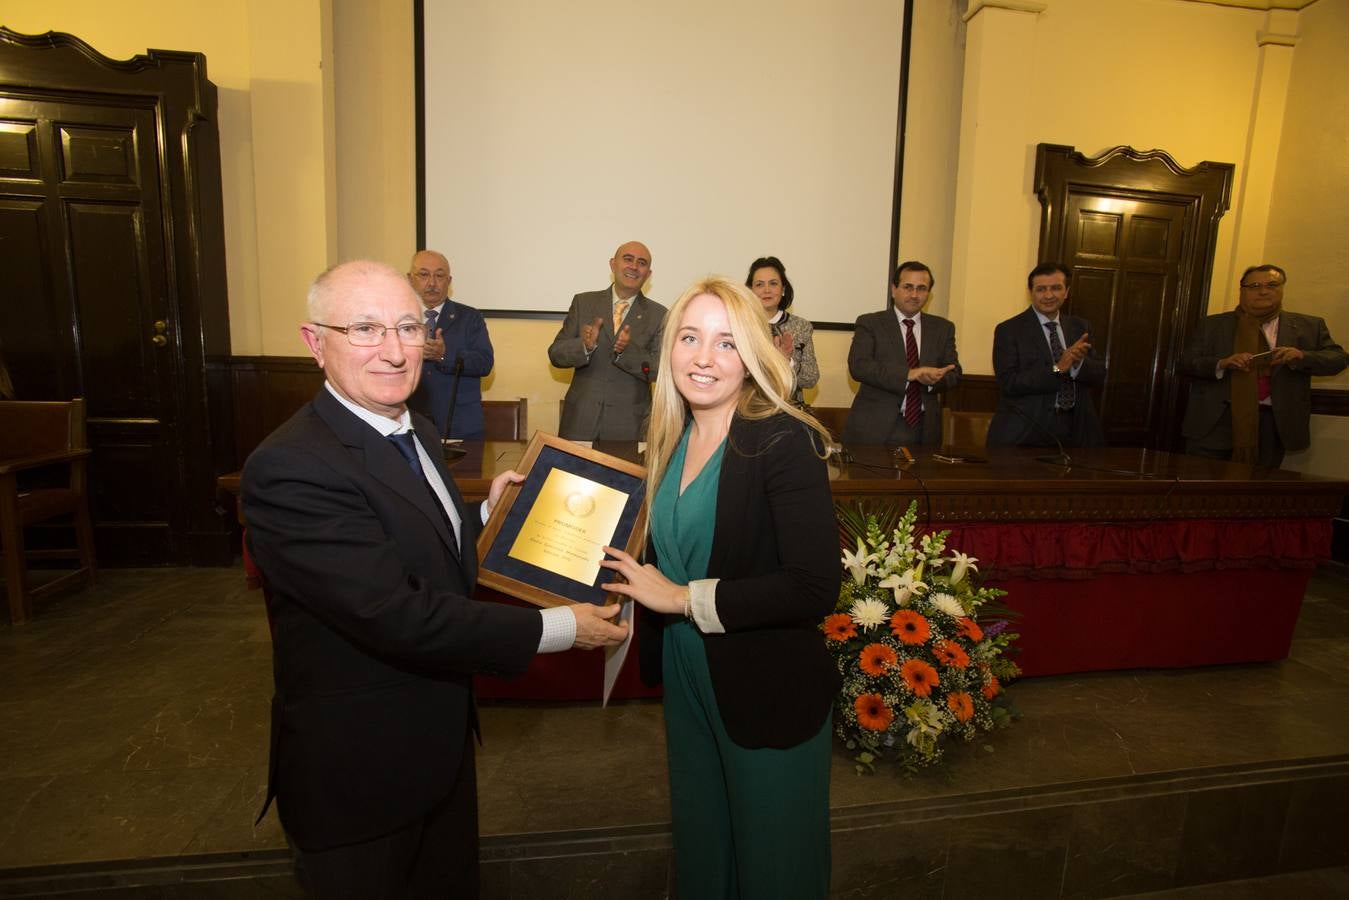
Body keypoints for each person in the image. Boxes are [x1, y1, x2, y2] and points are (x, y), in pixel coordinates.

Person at [242, 260, 627, 899]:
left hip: (438, 751)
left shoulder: (415, 428)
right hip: (360, 776)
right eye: (365, 329)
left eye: (408, 327)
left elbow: (409, 539)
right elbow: (395, 612)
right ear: (315, 342)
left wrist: (486, 516)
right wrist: (560, 627)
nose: (395, 351)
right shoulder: (291, 467)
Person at [600, 277, 840, 899]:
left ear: (753, 354)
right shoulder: (671, 438)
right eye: (690, 338)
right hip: (687, 674)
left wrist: (682, 599)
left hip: (763, 685)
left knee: (774, 866)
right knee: (705, 849)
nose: (703, 357)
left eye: (726, 342)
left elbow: (814, 586)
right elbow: (659, 556)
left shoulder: (785, 438)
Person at [1180, 264, 1347, 468]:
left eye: (1272, 285)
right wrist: (1222, 363)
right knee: (1200, 482)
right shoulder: (1212, 325)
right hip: (1215, 420)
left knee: (1259, 485)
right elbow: (1186, 363)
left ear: (1282, 289)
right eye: (1255, 286)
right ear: (1242, 291)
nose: (1263, 291)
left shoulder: (1309, 326)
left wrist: (1302, 356)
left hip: (1274, 423)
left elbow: (1338, 359)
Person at [548, 241, 667, 440]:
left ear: (648, 274)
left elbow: (659, 370)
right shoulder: (583, 302)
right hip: (580, 422)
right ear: (613, 264)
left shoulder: (659, 314)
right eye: (628, 259)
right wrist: (583, 347)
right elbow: (555, 354)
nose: (634, 266)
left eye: (642, 263)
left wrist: (626, 352)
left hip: (630, 426)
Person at [986, 262, 1106, 448]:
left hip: (1077, 431)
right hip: (1026, 432)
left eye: (1056, 288)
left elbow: (1099, 374)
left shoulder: (1080, 327)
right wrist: (1058, 368)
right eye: (1041, 289)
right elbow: (1008, 383)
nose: (1049, 295)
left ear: (1066, 292)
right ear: (1031, 293)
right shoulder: (1009, 330)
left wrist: (1078, 364)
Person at [843, 260, 960, 446]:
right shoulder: (870, 323)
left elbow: (954, 372)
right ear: (893, 289)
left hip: (925, 429)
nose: (914, 295)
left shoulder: (943, 328)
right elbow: (859, 366)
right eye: (908, 287)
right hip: (875, 427)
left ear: (928, 293)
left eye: (921, 288)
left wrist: (934, 380)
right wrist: (909, 374)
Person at [406, 250, 495, 439]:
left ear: (449, 281)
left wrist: (444, 355)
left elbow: (485, 363)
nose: (432, 283)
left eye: (439, 276)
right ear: (410, 279)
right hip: (409, 424)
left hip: (459, 425)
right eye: (424, 275)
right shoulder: (398, 318)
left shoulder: (470, 318)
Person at [746, 256, 818, 406]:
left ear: (783, 289)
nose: (766, 290)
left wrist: (787, 363)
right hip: (749, 407)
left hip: (789, 409)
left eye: (773, 283)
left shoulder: (801, 326)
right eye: (759, 284)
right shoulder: (739, 324)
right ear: (751, 291)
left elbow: (811, 379)